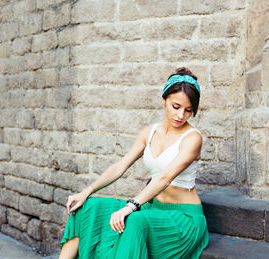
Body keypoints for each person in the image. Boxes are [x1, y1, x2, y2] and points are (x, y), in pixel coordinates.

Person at [59, 67, 209, 259]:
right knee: (88, 207)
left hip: (183, 219)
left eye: (188, 110)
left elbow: (165, 178)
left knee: (134, 220)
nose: (181, 115)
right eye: (176, 107)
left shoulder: (192, 138)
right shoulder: (150, 132)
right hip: (152, 208)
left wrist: (130, 206)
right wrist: (87, 191)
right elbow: (120, 166)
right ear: (164, 100)